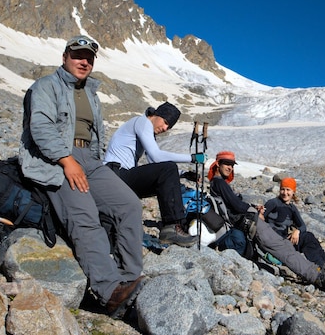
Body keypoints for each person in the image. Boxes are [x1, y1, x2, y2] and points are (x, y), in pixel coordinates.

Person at [18, 35, 144, 319]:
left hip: (90, 161)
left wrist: (91, 161)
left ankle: (131, 279)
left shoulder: (91, 93)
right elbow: (40, 127)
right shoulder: (46, 86)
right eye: (77, 55)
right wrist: (66, 160)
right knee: (84, 215)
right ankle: (109, 291)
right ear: (65, 56)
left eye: (89, 57)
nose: (84, 61)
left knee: (130, 205)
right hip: (55, 160)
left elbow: (96, 136)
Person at [207, 151, 325, 290]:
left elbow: (233, 204)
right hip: (250, 224)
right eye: (227, 164)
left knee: (285, 247)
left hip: (248, 222)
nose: (230, 168)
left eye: (232, 165)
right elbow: (237, 205)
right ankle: (318, 278)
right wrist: (253, 210)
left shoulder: (217, 183)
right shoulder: (220, 183)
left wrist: (252, 207)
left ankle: (316, 271)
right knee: (283, 249)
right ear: (218, 164)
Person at [103, 102, 205, 247]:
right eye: (165, 123)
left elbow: (154, 164)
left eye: (168, 127)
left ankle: (177, 228)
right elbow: (157, 157)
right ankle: (172, 227)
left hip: (120, 176)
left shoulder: (147, 131)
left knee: (169, 171)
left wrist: (184, 174)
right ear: (156, 115)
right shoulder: (142, 122)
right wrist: (193, 158)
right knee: (169, 168)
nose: (165, 128)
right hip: (114, 173)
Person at [263, 177, 325, 267]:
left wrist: (297, 231)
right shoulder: (273, 203)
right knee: (307, 238)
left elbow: (303, 226)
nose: (285, 193)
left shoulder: (292, 208)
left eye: (288, 190)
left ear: (293, 191)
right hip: (275, 240)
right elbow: (260, 217)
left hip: (285, 239)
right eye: (282, 189)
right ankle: (320, 265)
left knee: (309, 236)